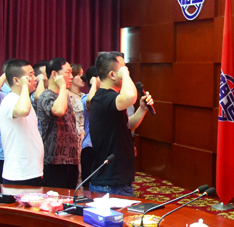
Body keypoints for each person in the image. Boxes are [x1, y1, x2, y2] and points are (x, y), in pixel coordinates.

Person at [88, 52, 154, 196]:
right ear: (112, 75)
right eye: (123, 69)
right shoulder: (104, 98)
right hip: (110, 183)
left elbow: (126, 127)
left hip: (118, 180)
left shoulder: (111, 99)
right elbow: (130, 96)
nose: (127, 73)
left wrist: (142, 109)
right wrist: (125, 74)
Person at [36, 57, 80, 189]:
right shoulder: (46, 95)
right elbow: (59, 111)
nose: (71, 77)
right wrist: (62, 86)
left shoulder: (64, 95)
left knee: (70, 197)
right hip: (55, 160)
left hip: (71, 159)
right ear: (54, 74)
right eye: (67, 73)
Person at [0, 59, 43, 186]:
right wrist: (24, 87)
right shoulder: (10, 100)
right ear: (17, 81)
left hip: (32, 170)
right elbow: (22, 111)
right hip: (19, 173)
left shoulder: (24, 99)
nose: (35, 78)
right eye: (30, 75)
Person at [80, 66, 99, 189]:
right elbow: (91, 102)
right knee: (89, 187)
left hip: (102, 147)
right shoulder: (86, 98)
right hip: (89, 147)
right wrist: (94, 84)